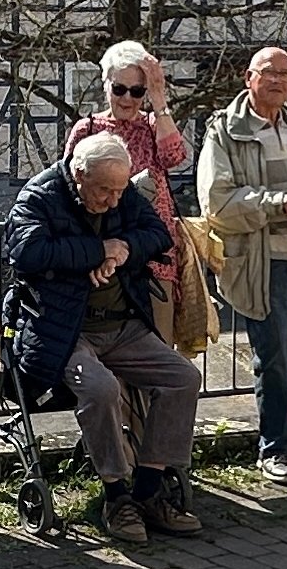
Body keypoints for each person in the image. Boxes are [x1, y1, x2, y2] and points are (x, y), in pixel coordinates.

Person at [4, 131, 202, 545]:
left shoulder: (120, 192)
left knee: (182, 377)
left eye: (119, 191)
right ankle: (116, 495)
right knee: (101, 387)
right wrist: (98, 250)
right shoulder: (39, 196)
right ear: (79, 175)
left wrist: (122, 248)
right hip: (65, 331)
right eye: (103, 191)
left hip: (122, 324)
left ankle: (148, 489)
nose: (113, 201)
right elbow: (27, 252)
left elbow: (159, 233)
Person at [199, 46, 287, 481]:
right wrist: (279, 202)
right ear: (249, 78)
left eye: (285, 74)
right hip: (263, 263)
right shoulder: (225, 133)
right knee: (275, 359)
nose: (278, 80)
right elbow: (217, 203)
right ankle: (274, 450)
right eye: (269, 72)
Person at [65, 40, 208, 358]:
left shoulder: (154, 126)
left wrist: (159, 99)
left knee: (157, 353)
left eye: (137, 91)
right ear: (106, 84)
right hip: (102, 257)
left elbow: (175, 156)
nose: (128, 98)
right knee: (109, 357)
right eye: (119, 89)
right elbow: (68, 188)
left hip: (152, 257)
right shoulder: (87, 129)